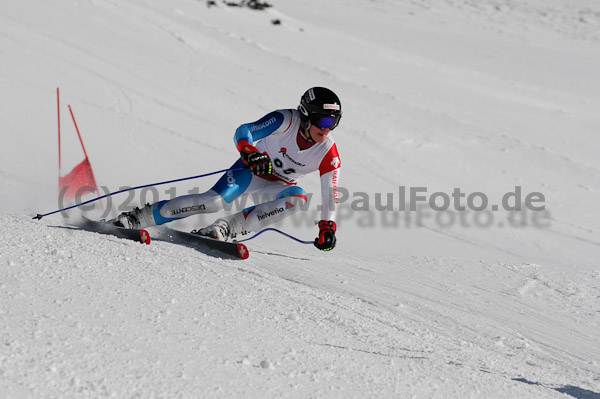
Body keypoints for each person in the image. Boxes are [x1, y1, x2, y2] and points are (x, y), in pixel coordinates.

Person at [114, 87, 342, 251]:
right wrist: (250, 152)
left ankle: (224, 230)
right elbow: (245, 131)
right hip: (251, 171)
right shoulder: (285, 120)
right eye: (322, 122)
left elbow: (330, 194)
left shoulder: (328, 153)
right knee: (213, 202)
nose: (327, 130)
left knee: (298, 200)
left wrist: (327, 227)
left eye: (333, 123)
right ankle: (136, 219)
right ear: (304, 117)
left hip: (280, 185)